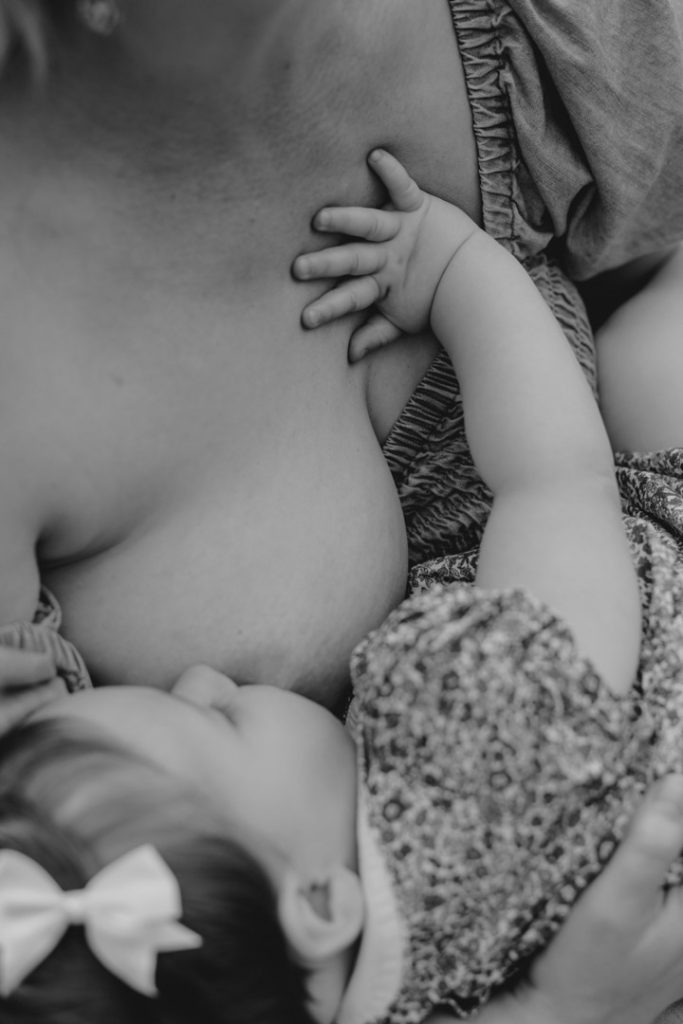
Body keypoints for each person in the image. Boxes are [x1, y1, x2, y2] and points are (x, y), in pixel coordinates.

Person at [1, 153, 683, 1023]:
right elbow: (554, 483)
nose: (205, 677)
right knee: (648, 362)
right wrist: (454, 275)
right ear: (322, 904)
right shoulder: (469, 747)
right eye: (217, 719)